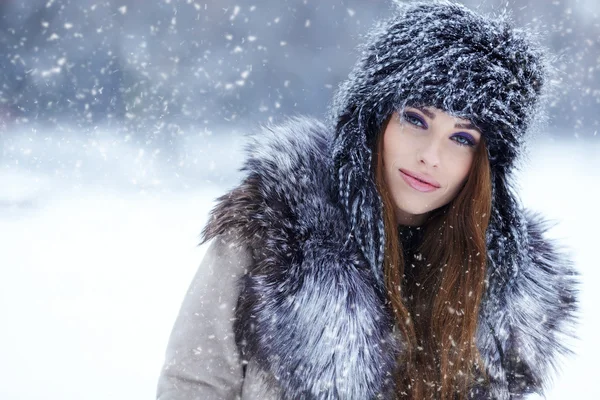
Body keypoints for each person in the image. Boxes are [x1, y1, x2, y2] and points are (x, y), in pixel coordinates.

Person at [156, 1, 579, 399]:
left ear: (484, 165)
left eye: (461, 138)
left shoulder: (505, 290)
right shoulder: (276, 229)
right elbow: (193, 382)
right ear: (374, 118)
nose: (430, 156)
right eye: (416, 119)